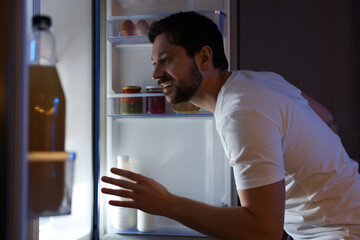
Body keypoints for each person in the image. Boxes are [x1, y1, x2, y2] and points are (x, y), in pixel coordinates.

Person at [101, 11, 360, 239]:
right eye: (154, 63)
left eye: (166, 59)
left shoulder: (240, 110)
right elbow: (325, 117)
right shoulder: (258, 82)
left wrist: (166, 205)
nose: (156, 74)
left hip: (340, 232)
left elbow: (262, 231)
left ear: (204, 57)